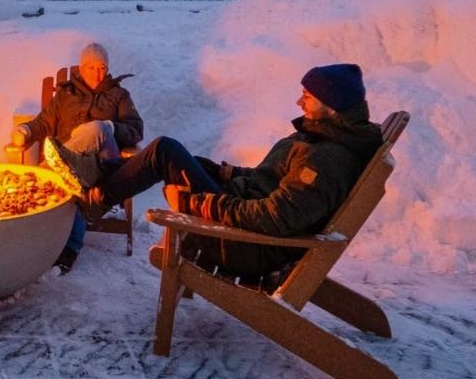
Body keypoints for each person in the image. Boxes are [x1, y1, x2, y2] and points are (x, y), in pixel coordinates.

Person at [45, 63, 382, 282]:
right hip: (242, 218)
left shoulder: (326, 159)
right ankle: (96, 180)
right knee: (170, 154)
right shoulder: (321, 137)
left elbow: (275, 217)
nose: (299, 102)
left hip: (246, 246)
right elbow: (270, 181)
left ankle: (95, 192)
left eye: (307, 96)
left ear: (332, 105)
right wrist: (222, 174)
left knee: (165, 150)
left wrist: (198, 205)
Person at [11, 42, 143, 275]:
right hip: (80, 170)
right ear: (81, 69)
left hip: (102, 161)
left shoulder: (118, 95)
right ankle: (68, 249)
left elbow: (135, 130)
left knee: (96, 129)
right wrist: (26, 131)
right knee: (77, 181)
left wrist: (111, 127)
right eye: (91, 67)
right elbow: (44, 123)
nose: (97, 73)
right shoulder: (66, 94)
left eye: (102, 67)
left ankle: (61, 163)